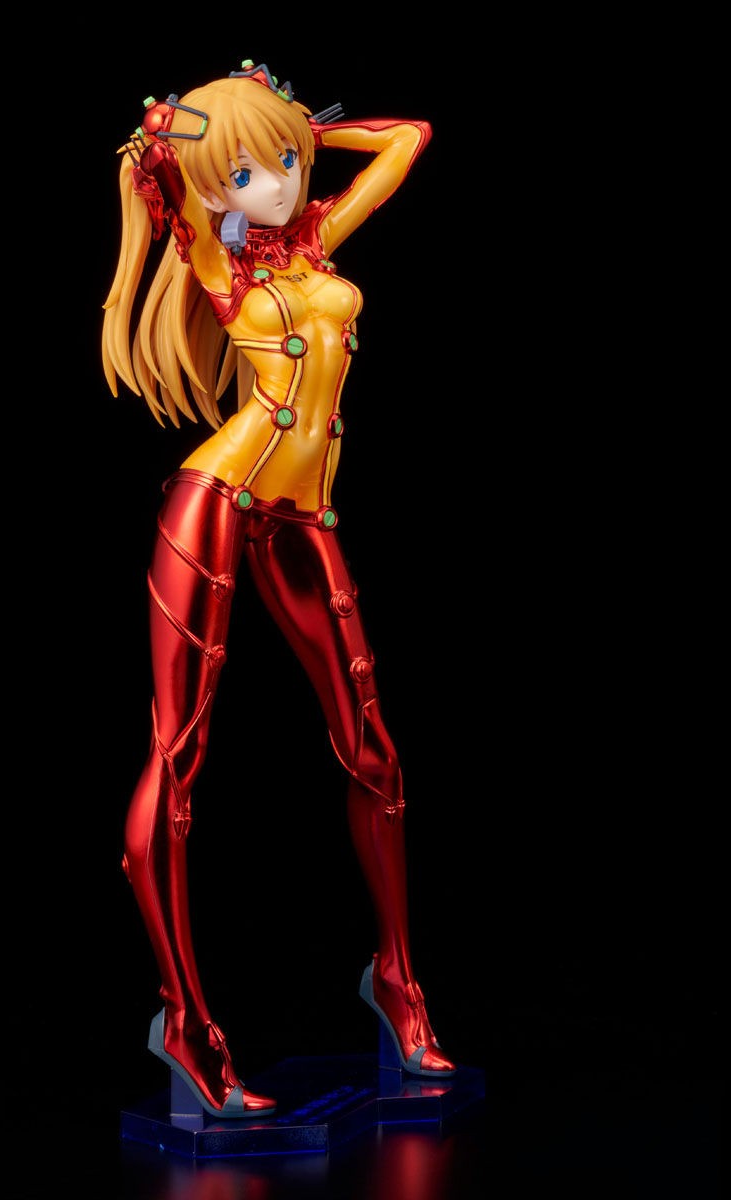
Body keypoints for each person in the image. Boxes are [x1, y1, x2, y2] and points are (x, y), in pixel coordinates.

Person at [102, 60, 453, 1119]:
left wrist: (296, 130)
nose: (281, 184)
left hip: (304, 518)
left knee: (374, 752)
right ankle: (186, 1023)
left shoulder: (315, 241)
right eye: (250, 172)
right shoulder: (215, 257)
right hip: (216, 500)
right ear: (211, 187)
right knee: (178, 755)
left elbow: (409, 138)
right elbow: (155, 166)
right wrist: (197, 142)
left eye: (287, 162)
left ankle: (397, 983)